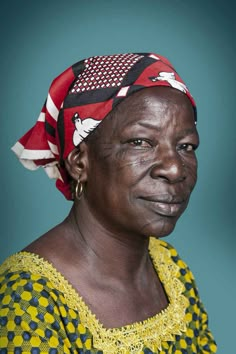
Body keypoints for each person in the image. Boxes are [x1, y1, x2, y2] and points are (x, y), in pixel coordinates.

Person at [0, 53, 217, 353]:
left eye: (186, 146)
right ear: (80, 163)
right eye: (140, 142)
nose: (175, 168)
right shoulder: (29, 294)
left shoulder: (171, 269)